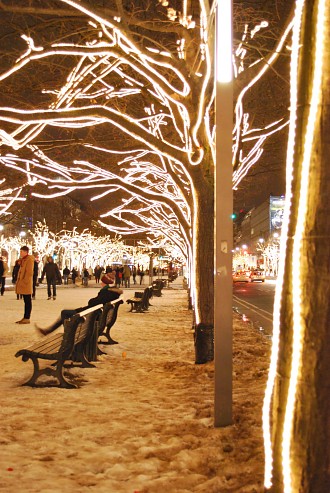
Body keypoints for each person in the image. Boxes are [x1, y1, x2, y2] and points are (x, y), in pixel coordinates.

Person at [36, 275, 123, 335]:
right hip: (94, 315)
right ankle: (49, 331)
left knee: (64, 313)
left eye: (102, 282)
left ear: (106, 283)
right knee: (66, 312)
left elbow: (93, 303)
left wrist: (91, 300)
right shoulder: (112, 293)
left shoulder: (106, 292)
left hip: (91, 316)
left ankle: (67, 336)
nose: (101, 283)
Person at [15, 246, 34, 324]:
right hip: (23, 282)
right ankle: (25, 316)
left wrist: (25, 281)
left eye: (21, 252)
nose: (20, 253)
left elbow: (29, 272)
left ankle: (27, 317)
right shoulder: (24, 260)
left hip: (26, 283)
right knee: (26, 300)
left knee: (27, 300)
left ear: (26, 252)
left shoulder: (29, 260)